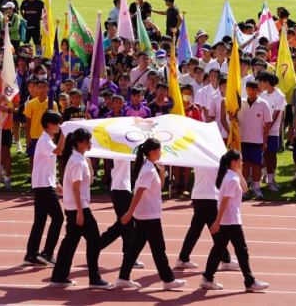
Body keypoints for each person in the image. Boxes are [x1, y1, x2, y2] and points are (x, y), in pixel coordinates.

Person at [116, 138, 186, 290]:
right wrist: (129, 212)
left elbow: (159, 187)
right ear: (152, 152)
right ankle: (168, 280)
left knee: (134, 247)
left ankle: (123, 277)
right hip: (148, 215)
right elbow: (139, 192)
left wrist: (161, 171)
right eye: (159, 150)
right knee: (158, 248)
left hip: (146, 214)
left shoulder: (149, 167)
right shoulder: (147, 170)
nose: (161, 153)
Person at [51, 128, 113, 289]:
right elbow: (76, 188)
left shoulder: (79, 159)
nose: (91, 143)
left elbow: (90, 181)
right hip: (79, 207)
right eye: (88, 141)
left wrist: (88, 160)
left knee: (70, 242)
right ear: (80, 143)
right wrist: (80, 211)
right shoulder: (77, 161)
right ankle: (94, 278)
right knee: (94, 241)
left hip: (74, 207)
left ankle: (58, 276)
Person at [200, 150, 269, 293]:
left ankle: (207, 278)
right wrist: (217, 222)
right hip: (231, 220)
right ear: (233, 162)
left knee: (218, 250)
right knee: (242, 251)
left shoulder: (230, 175)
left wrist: (239, 172)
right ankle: (249, 282)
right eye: (240, 160)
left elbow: (244, 188)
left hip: (228, 219)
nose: (242, 163)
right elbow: (225, 201)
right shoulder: (231, 179)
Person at [24, 110, 64, 266]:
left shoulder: (47, 140)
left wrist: (56, 182)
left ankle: (31, 254)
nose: (59, 126)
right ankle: (47, 253)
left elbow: (48, 165)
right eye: (58, 124)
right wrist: (65, 135)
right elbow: (59, 152)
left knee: (40, 220)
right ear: (50, 125)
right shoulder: (45, 140)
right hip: (44, 185)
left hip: (44, 182)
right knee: (58, 218)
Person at [235, 79, 273, 200]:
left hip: (257, 140)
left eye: (253, 89)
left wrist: (265, 141)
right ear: (246, 90)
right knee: (244, 165)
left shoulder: (263, 104)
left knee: (257, 165)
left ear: (258, 90)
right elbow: (233, 118)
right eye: (249, 89)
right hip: (242, 140)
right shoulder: (240, 103)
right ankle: (244, 189)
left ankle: (256, 188)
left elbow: (267, 124)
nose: (251, 92)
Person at [258, 71, 285, 192]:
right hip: (261, 130)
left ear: (267, 82)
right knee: (265, 155)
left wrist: (267, 128)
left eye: (261, 82)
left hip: (272, 131)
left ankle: (271, 180)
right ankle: (266, 178)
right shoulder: (262, 95)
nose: (260, 84)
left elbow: (276, 115)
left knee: (272, 155)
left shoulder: (280, 96)